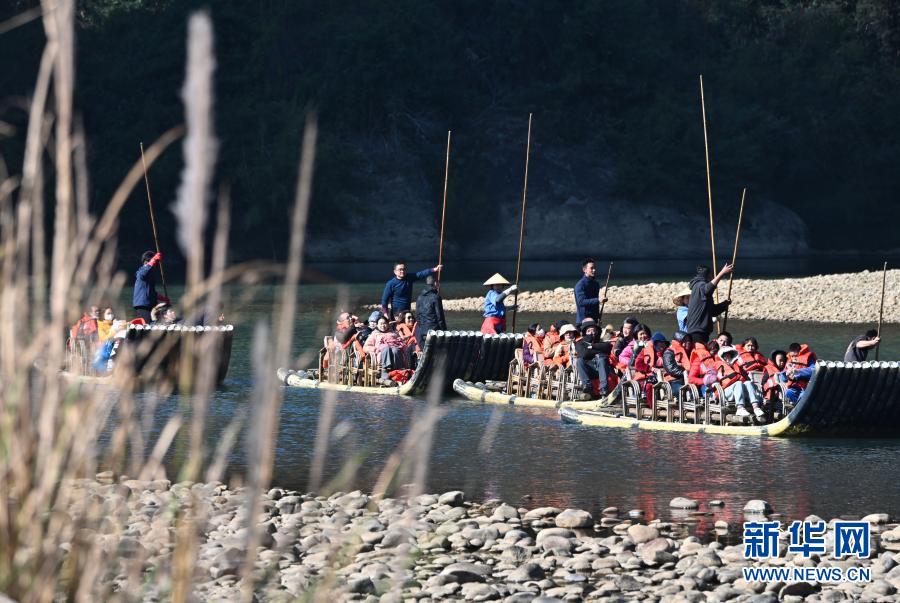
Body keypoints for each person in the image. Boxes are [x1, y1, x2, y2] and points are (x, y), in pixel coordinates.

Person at [684, 264, 733, 343]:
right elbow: (708, 289)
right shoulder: (699, 285)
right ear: (707, 275)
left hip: (702, 332)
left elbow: (712, 311)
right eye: (711, 275)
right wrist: (722, 273)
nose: (712, 277)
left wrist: (724, 305)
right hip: (697, 331)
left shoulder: (703, 292)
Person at [716, 346, 765, 418]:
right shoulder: (718, 365)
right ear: (722, 357)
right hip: (726, 393)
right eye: (725, 356)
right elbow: (711, 380)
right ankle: (740, 408)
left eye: (729, 356)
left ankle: (756, 407)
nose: (727, 358)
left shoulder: (737, 366)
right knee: (738, 383)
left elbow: (746, 379)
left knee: (748, 383)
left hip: (740, 391)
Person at [363, 315, 410, 385]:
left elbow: (403, 345)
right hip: (382, 355)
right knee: (386, 348)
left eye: (384, 323)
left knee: (395, 350)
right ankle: (385, 370)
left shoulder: (394, 334)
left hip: (395, 355)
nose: (383, 325)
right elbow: (365, 347)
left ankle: (399, 371)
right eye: (381, 324)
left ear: (388, 324)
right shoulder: (374, 334)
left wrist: (402, 345)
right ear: (377, 325)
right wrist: (375, 349)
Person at [573, 318, 613, 398]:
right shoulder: (580, 343)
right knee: (579, 360)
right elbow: (584, 354)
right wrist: (598, 350)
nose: (592, 333)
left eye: (594, 330)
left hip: (602, 369)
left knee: (602, 359)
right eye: (589, 331)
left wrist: (592, 346)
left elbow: (608, 347)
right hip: (589, 370)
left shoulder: (601, 341)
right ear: (585, 332)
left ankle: (604, 388)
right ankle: (587, 386)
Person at [133, 250, 169, 323]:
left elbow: (150, 292)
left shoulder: (149, 276)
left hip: (151, 306)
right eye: (154, 263)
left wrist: (162, 298)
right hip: (143, 306)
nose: (154, 266)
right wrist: (153, 261)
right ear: (146, 262)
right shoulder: (141, 271)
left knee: (155, 323)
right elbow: (141, 275)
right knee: (146, 326)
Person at [574, 258, 608, 326]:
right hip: (583, 321)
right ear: (584, 270)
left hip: (594, 320)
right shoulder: (580, 285)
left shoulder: (596, 284)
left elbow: (595, 305)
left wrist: (598, 317)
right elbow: (581, 302)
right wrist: (598, 300)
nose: (594, 270)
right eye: (591, 268)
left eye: (595, 268)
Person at [415, 275, 447, 346]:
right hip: (434, 332)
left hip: (423, 332)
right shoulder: (436, 297)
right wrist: (444, 331)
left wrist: (422, 328)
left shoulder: (419, 297)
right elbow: (440, 317)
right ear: (435, 283)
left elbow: (417, 316)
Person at [663, 331, 694, 396]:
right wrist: (684, 373)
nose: (688, 343)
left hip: (689, 381)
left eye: (689, 341)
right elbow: (671, 369)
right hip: (673, 382)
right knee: (686, 392)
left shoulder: (691, 353)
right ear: (679, 342)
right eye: (685, 341)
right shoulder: (668, 352)